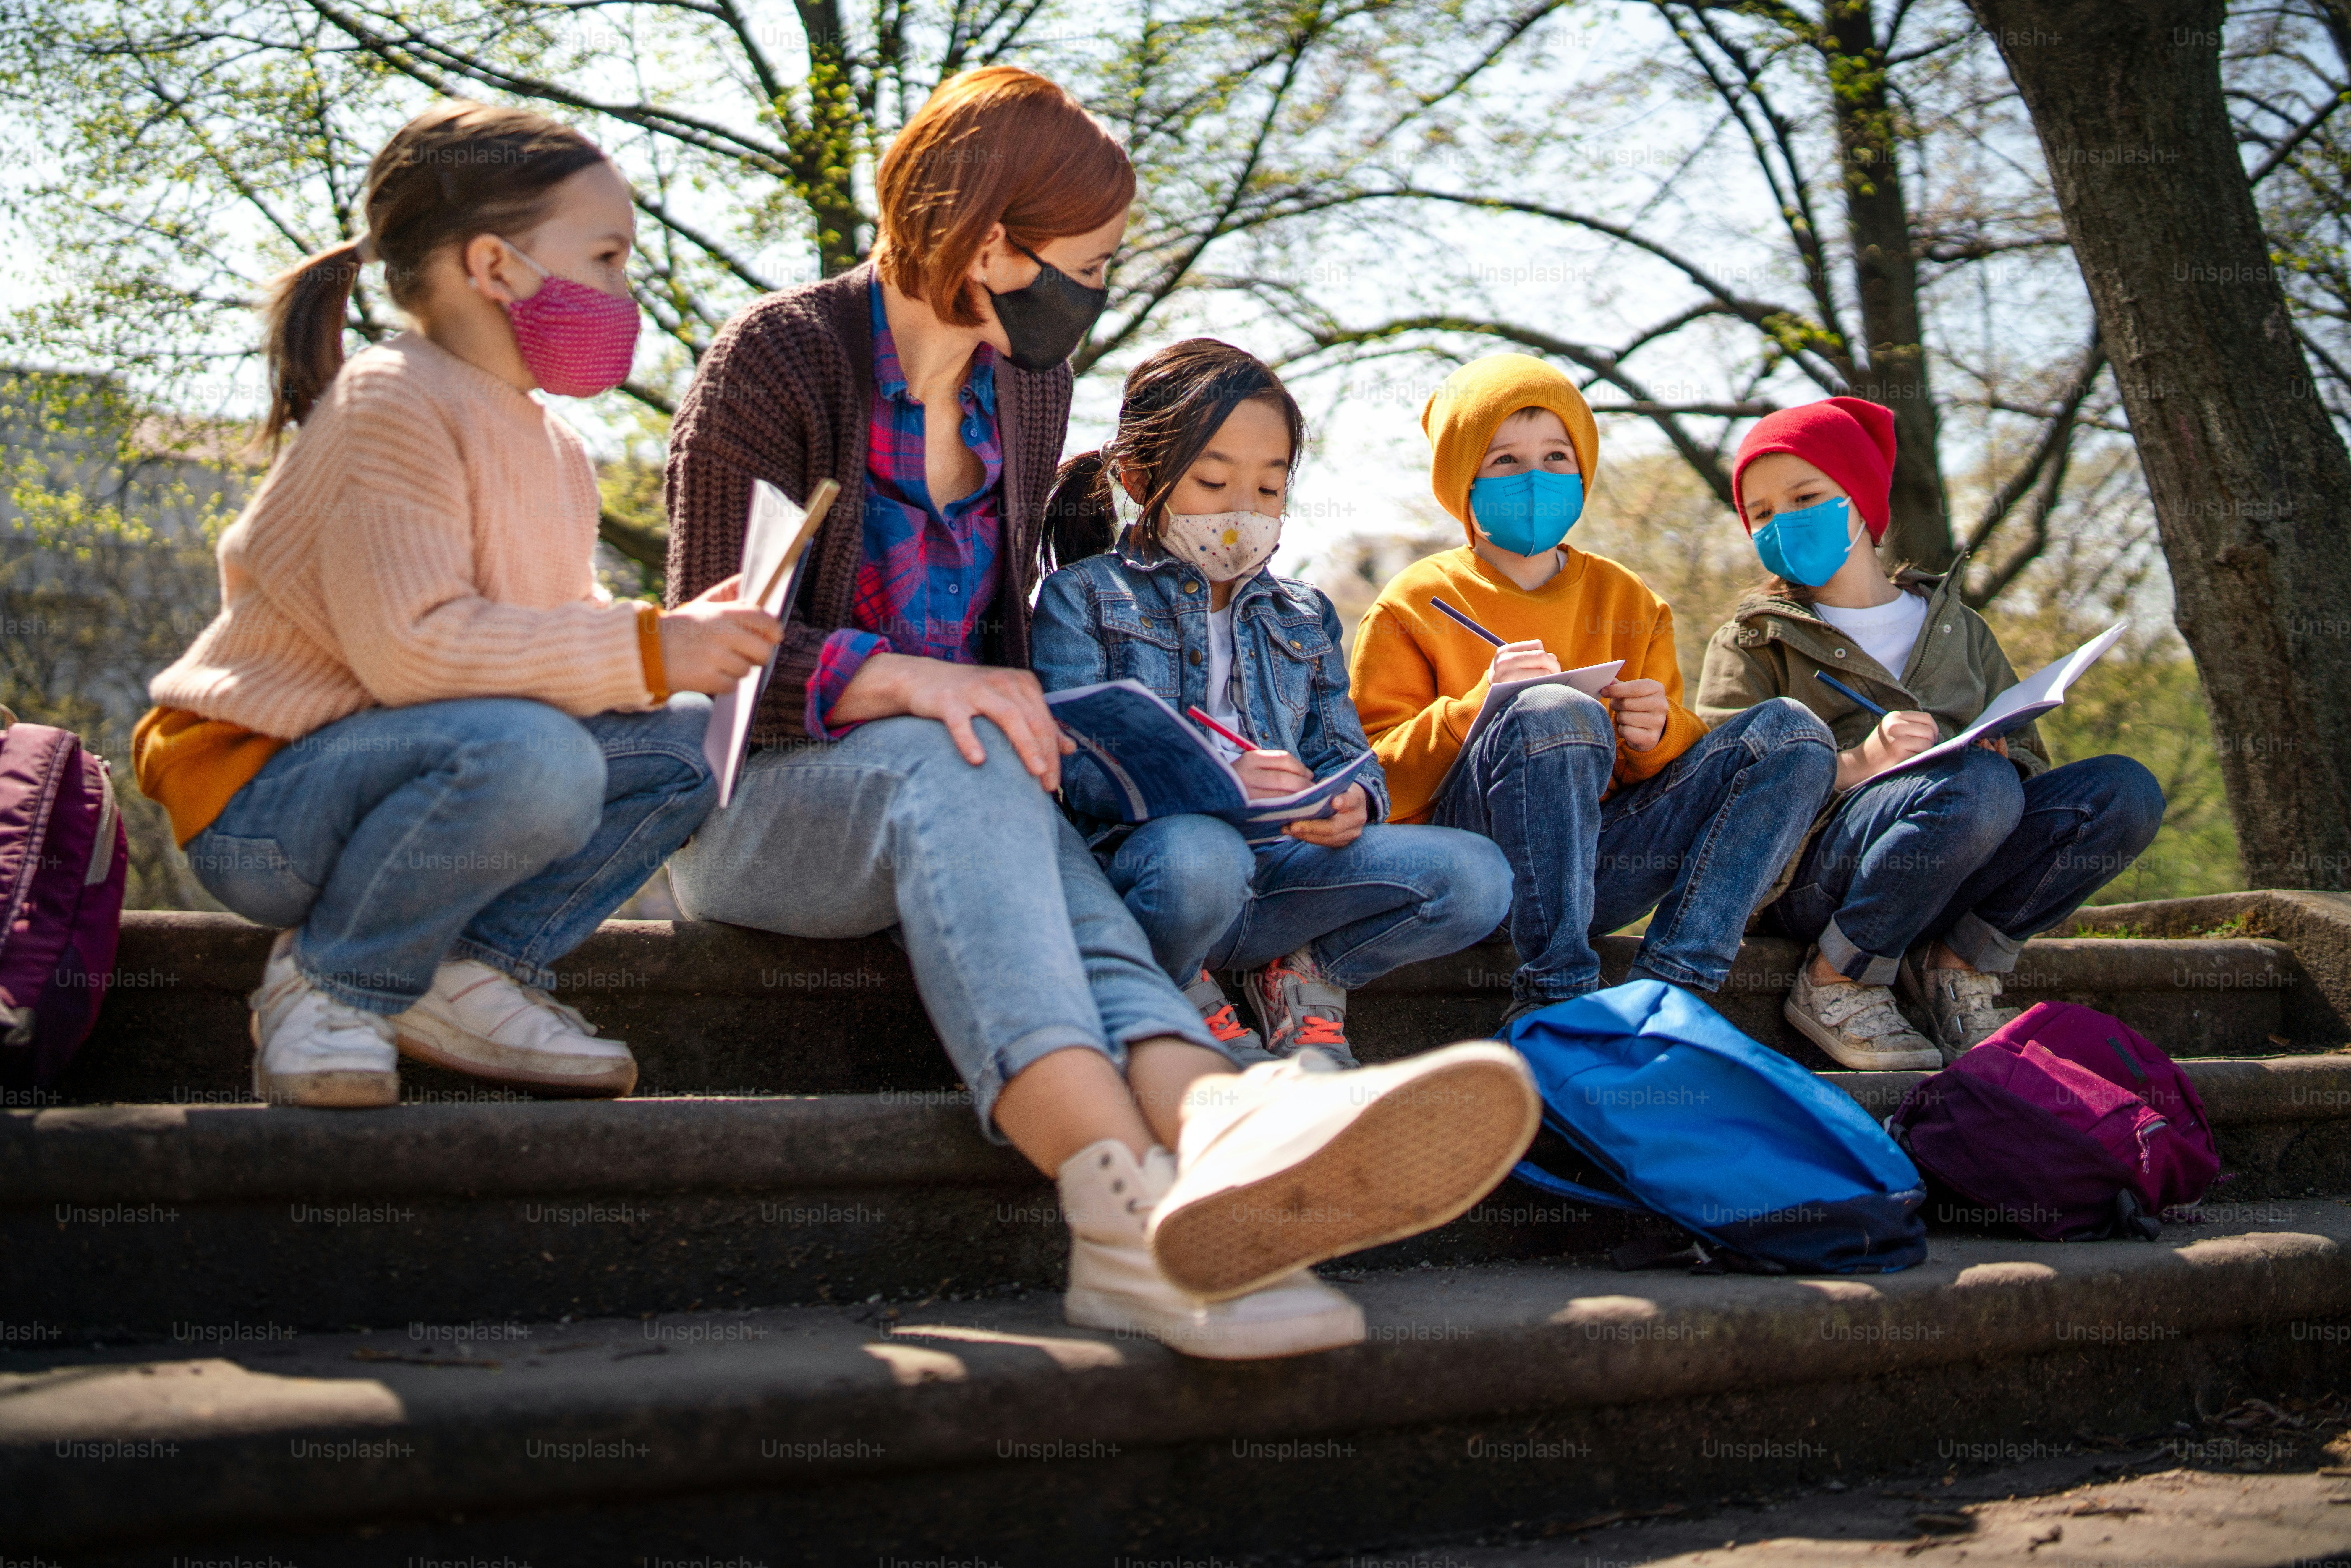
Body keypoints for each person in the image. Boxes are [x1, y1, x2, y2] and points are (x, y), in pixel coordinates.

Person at [661, 68, 1537, 1360]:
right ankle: (1118, 1204)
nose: (1098, 288)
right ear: (987, 242)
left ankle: (1225, 1140)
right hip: (765, 812)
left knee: (1015, 817)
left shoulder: (1025, 382)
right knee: (944, 752)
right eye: (1091, 260)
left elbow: (1009, 642)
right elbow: (708, 660)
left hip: (967, 797)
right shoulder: (779, 362)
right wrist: (908, 678)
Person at [132, 101, 781, 1108]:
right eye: (607, 257)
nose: (625, 290)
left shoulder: (555, 445)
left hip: (417, 780)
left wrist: (674, 646)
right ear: (494, 268)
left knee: (681, 747)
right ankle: (332, 977)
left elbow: (545, 639)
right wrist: (650, 645)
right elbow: (417, 654)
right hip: (266, 807)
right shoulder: (391, 398)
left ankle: (466, 972)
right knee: (539, 755)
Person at [1030, 338, 1514, 1069]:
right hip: (1163, 873)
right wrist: (1213, 790)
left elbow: (1343, 749)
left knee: (1478, 876)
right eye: (1213, 482)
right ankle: (1175, 982)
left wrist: (1354, 799)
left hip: (1288, 874)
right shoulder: (1084, 596)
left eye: (1268, 488)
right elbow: (1074, 766)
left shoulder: (1303, 613)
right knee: (1202, 855)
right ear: (1137, 476)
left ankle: (1305, 972)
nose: (1244, 512)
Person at [1348, 354, 1838, 1026]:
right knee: (1556, 710)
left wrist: (1657, 732)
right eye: (1504, 461)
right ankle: (1555, 997)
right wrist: (1474, 714)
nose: (1535, 478)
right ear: (1461, 480)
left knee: (1794, 732)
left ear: (1582, 472)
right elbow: (1370, 783)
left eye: (1556, 457)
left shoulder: (1629, 598)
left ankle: (1677, 988)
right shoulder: (1416, 600)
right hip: (1474, 872)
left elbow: (1668, 767)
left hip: (1598, 868)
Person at [1696, 397, 2165, 1068]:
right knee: (1975, 786)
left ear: (1857, 501)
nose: (1783, 522)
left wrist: (2011, 759)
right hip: (1815, 879)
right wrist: (1858, 764)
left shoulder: (1958, 627)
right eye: (1763, 513)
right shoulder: (1753, 640)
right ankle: (1837, 979)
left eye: (1806, 496)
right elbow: (1721, 788)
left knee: (2125, 790)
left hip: (1967, 848)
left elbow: (2030, 750)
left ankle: (1954, 968)